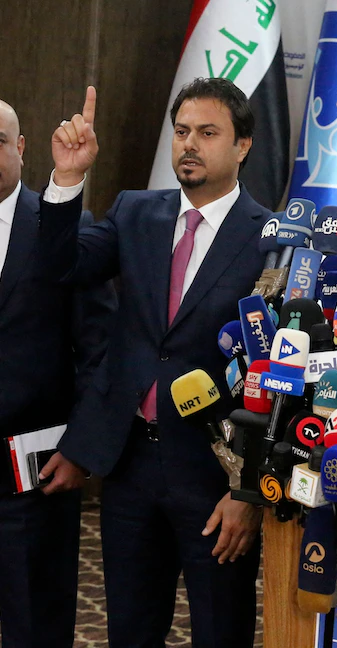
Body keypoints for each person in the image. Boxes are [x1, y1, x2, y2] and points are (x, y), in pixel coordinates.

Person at [38, 78, 271, 647]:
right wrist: (68, 180)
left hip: (215, 474)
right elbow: (62, 267)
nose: (189, 144)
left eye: (208, 133)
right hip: (131, 467)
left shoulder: (271, 237)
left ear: (242, 145)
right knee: (130, 632)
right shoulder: (136, 212)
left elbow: (280, 378)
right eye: (182, 131)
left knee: (220, 632)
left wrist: (249, 492)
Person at [0, 99, 115, 645]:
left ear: (21, 148)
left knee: (35, 626)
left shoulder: (63, 226)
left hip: (34, 474)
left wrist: (80, 447)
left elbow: (99, 348)